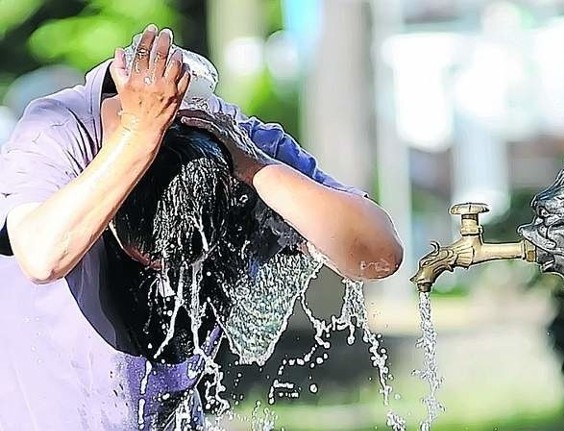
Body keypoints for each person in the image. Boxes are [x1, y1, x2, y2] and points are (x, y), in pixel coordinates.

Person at [0, 25, 403, 430]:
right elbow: (41, 256)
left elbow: (379, 253)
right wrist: (138, 137)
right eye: (152, 255)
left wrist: (254, 166)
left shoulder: (243, 144)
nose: (165, 274)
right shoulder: (56, 130)